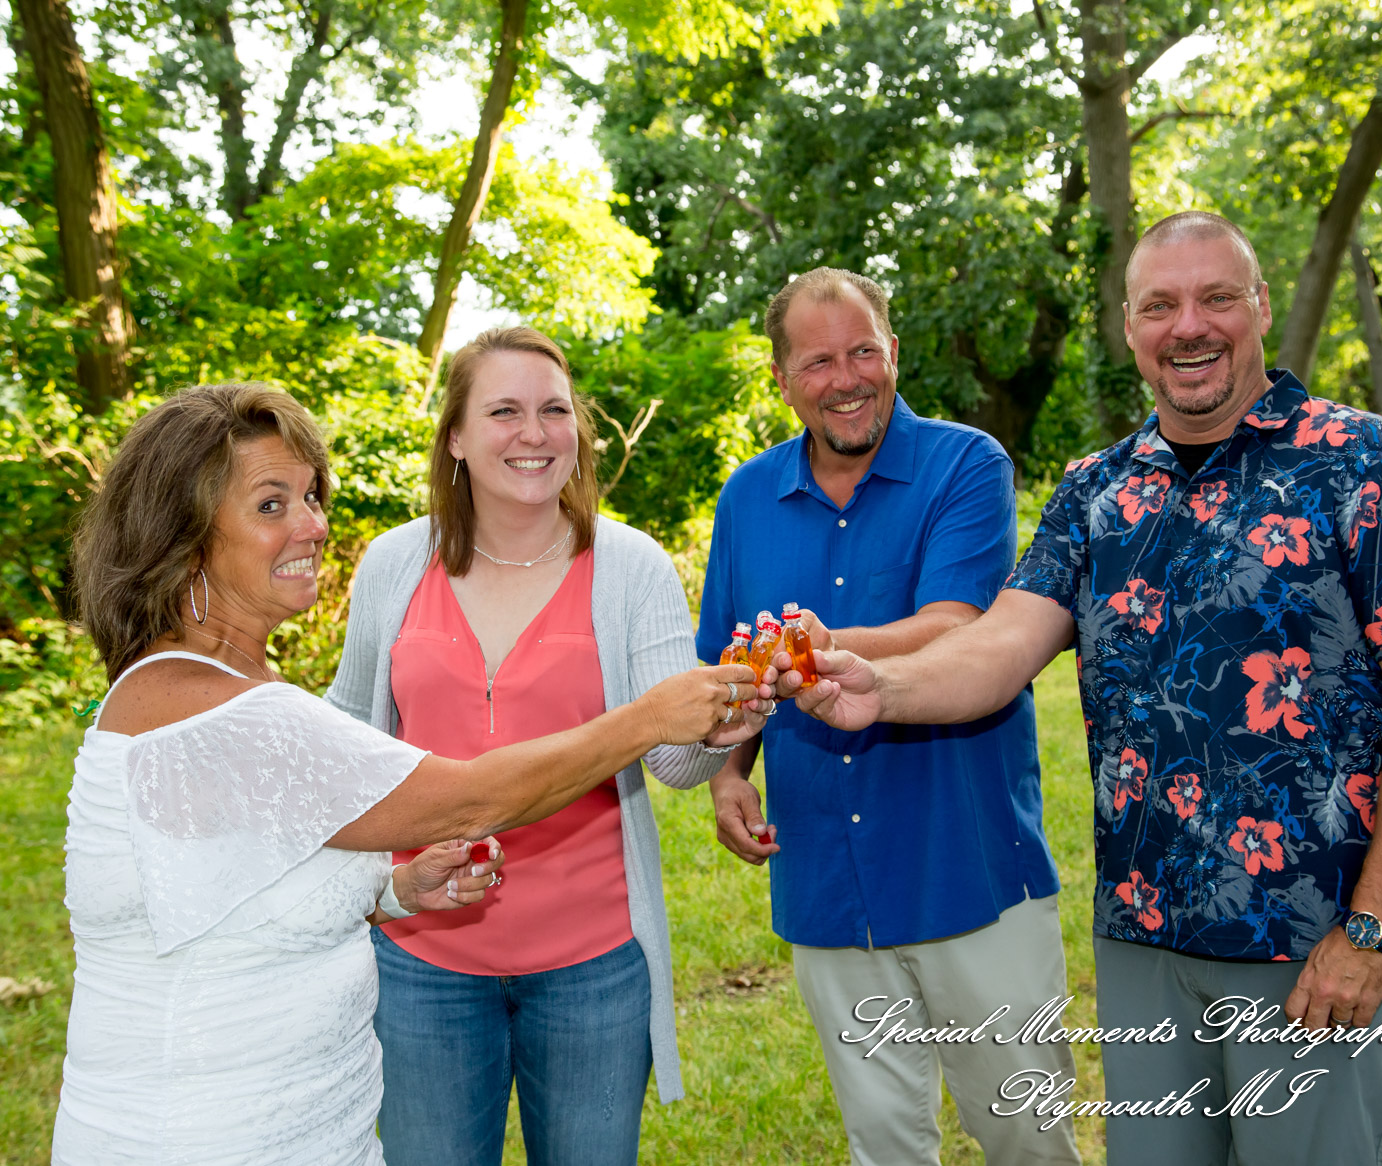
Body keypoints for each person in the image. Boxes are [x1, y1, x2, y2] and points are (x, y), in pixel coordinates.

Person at [791, 213, 1382, 1165]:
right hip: (1143, 939)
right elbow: (999, 646)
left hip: (1307, 943)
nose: (1188, 326)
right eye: (1160, 305)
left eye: (1215, 298)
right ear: (1129, 326)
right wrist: (878, 684)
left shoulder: (1363, 462)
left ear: (1258, 307)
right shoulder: (1097, 491)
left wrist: (1373, 931)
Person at [53, 382, 763, 1165]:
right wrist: (649, 718)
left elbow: (232, 894)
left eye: (312, 498)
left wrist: (395, 892)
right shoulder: (229, 715)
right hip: (210, 1133)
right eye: (271, 505)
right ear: (183, 536)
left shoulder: (199, 693)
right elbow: (470, 798)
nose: (314, 526)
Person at [695, 268, 1081, 1165]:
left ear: (893, 352)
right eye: (820, 359)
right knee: (885, 1144)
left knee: (1025, 1135)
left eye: (864, 350)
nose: (848, 377)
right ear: (784, 377)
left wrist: (823, 643)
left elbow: (959, 625)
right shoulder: (747, 498)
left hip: (966, 870)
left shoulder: (967, 464)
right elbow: (732, 664)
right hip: (826, 878)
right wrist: (726, 777)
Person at [325, 326, 734, 1165]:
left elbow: (675, 762)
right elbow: (351, 748)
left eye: (554, 410)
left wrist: (733, 720)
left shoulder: (631, 566)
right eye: (504, 410)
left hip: (590, 965)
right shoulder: (394, 565)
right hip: (421, 963)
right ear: (457, 439)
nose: (535, 433)